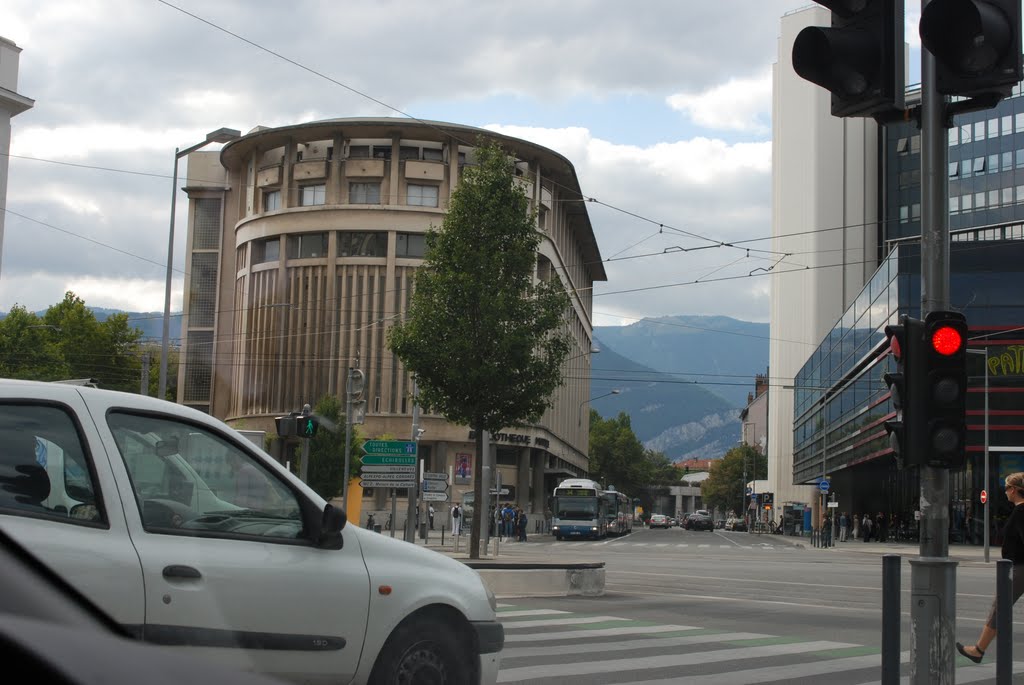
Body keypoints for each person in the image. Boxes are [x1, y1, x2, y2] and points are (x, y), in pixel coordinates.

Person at [958, 472, 1024, 663]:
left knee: (1000, 607)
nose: (1005, 492)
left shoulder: (1021, 512)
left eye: (1007, 488)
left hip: (1019, 568)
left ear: (1014, 489)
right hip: (1017, 566)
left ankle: (978, 650)